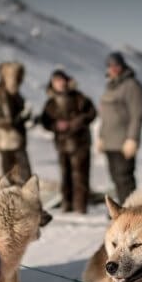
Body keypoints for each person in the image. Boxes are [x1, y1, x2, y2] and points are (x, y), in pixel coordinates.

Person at [39, 69, 97, 213]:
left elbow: (91, 113)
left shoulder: (79, 98)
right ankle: (67, 205)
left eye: (62, 80)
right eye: (56, 81)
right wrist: (56, 126)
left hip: (80, 143)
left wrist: (73, 123)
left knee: (80, 176)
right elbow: (45, 121)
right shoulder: (51, 103)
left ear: (67, 81)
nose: (60, 84)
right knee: (65, 176)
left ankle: (81, 207)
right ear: (52, 84)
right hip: (62, 144)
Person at [98, 51, 142, 203]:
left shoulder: (132, 86)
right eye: (110, 66)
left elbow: (137, 115)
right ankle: (122, 208)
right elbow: (106, 115)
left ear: (122, 66)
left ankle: (132, 208)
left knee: (125, 177)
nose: (113, 69)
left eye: (116, 65)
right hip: (109, 141)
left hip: (123, 141)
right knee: (115, 178)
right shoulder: (111, 86)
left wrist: (132, 139)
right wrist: (100, 136)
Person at [0, 61, 33, 181]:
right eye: (14, 77)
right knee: (8, 177)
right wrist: (12, 122)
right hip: (4, 143)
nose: (17, 80)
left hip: (17, 142)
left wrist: (26, 117)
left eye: (18, 77)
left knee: (24, 175)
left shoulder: (16, 95)